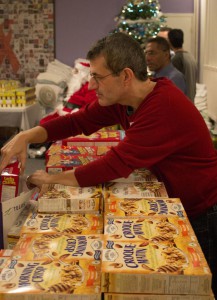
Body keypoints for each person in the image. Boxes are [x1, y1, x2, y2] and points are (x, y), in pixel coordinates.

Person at [0, 32, 217, 296]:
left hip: (201, 210)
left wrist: (52, 179)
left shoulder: (163, 105)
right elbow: (75, 122)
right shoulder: (124, 101)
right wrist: (26, 135)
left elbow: (115, 164)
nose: (91, 86)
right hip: (172, 199)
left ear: (125, 76)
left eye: (97, 77)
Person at [168, 28, 197, 103]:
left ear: (170, 42)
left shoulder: (177, 59)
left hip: (183, 100)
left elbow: (174, 84)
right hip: (191, 98)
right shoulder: (190, 56)